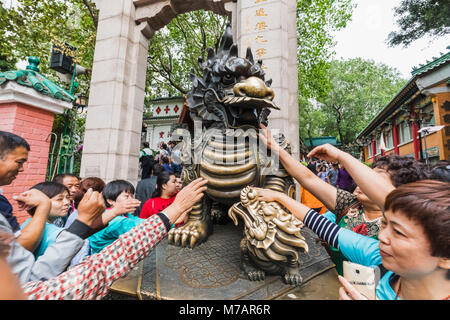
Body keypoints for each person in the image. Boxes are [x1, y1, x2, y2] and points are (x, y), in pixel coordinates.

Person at [255, 142, 450, 300]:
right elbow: (331, 231)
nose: (382, 237)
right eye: (384, 225)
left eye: (399, 232)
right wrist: (281, 198)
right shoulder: (376, 257)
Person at [258, 124, 429, 274]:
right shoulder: (349, 204)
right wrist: (276, 148)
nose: (361, 183)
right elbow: (308, 179)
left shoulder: (405, 225)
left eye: (372, 180)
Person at [21, 177, 208, 300]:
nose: (67, 201)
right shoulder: (117, 220)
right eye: (126, 196)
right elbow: (105, 264)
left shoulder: (60, 226)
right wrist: (177, 210)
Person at [87, 180, 142, 253]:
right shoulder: (108, 218)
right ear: (110, 201)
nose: (132, 200)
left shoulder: (126, 215)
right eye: (126, 196)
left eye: (132, 196)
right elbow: (133, 225)